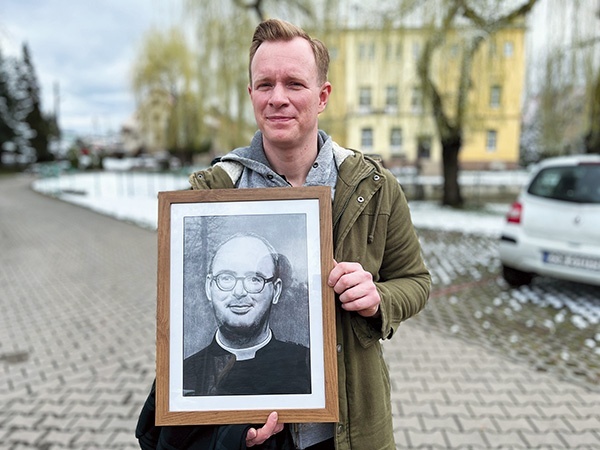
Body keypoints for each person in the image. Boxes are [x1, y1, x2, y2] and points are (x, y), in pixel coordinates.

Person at [136, 18, 431, 450]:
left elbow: (416, 282)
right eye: (265, 84)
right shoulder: (211, 191)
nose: (278, 98)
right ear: (251, 93)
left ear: (322, 95)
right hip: (252, 436)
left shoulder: (372, 186)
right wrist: (228, 430)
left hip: (349, 432)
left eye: (294, 83)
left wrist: (378, 299)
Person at [183, 233, 310, 396]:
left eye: (254, 279)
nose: (239, 292)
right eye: (226, 278)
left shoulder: (310, 368)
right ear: (209, 287)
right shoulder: (180, 378)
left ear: (276, 291)